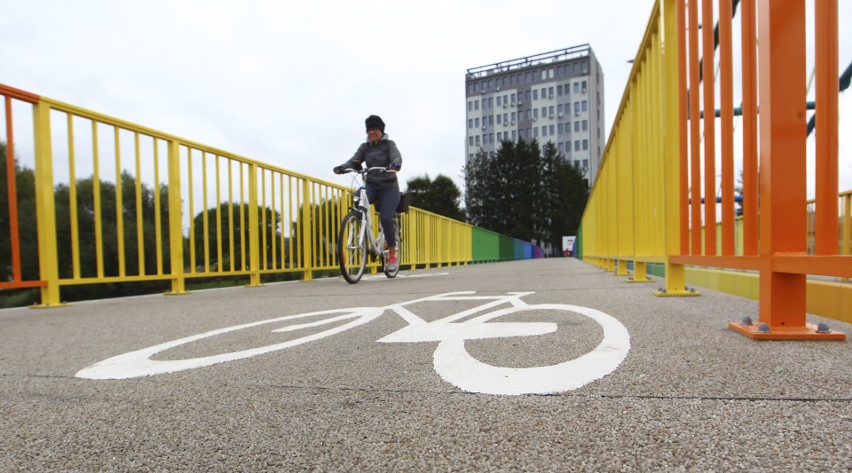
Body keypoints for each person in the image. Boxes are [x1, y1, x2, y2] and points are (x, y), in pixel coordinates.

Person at [334, 115, 403, 271]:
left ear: (381, 130)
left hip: (389, 187)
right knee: (358, 196)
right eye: (369, 130)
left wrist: (395, 164)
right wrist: (342, 167)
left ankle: (392, 254)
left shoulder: (389, 145)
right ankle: (362, 227)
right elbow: (354, 160)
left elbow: (397, 156)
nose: (371, 132)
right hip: (371, 186)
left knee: (386, 218)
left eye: (374, 129)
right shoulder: (364, 147)